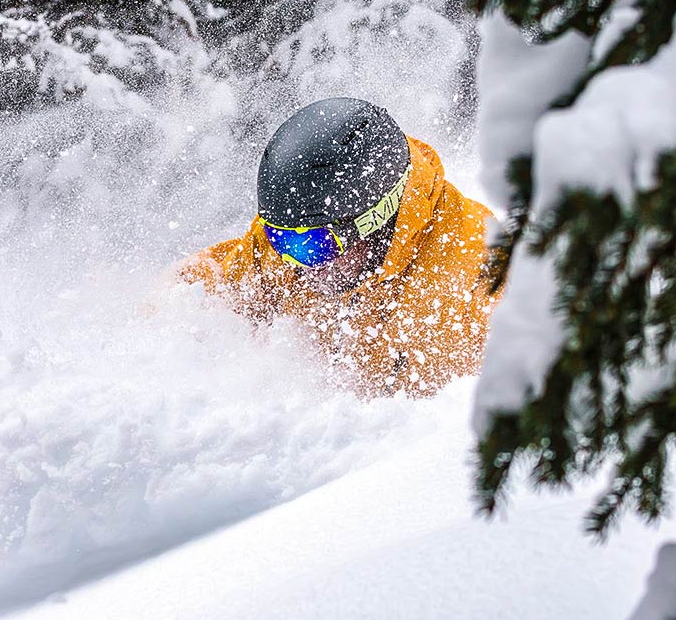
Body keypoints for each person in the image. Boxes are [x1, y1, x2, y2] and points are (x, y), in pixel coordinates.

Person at [178, 97, 500, 397]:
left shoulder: (481, 286)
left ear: (376, 223)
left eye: (312, 245)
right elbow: (203, 286)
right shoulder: (299, 234)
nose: (294, 263)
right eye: (279, 238)